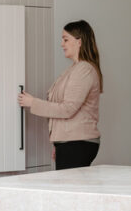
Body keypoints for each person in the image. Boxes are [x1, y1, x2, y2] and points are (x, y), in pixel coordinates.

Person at [18, 20, 102, 170]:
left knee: (70, 191)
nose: (62, 44)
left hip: (78, 143)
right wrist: (58, 140)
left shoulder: (84, 70)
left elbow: (67, 109)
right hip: (71, 142)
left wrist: (33, 103)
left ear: (79, 42)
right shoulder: (75, 69)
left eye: (65, 39)